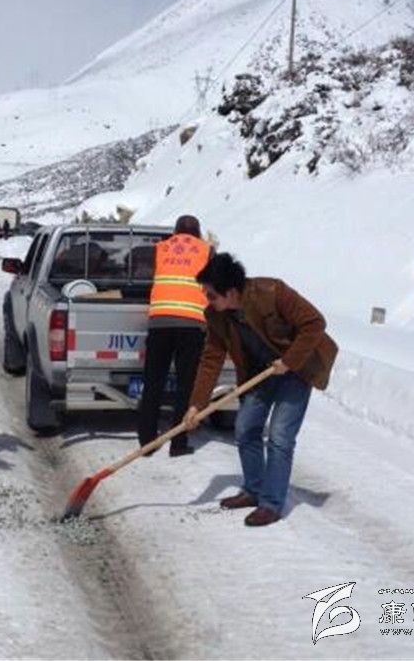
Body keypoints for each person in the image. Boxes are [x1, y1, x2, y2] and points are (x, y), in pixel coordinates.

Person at [183, 253, 338, 526]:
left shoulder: (273, 292)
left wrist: (288, 361)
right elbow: (212, 359)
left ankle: (271, 504)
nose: (207, 299)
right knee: (245, 428)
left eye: (211, 294)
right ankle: (253, 490)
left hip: (296, 370)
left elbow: (315, 323)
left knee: (280, 436)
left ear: (231, 292)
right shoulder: (216, 315)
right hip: (259, 375)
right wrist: (197, 404)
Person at [137, 215, 212, 457]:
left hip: (160, 322)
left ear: (175, 232)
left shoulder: (160, 248)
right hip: (192, 324)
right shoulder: (206, 250)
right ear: (197, 233)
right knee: (185, 385)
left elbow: (144, 273)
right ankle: (178, 443)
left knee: (153, 382)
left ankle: (147, 443)